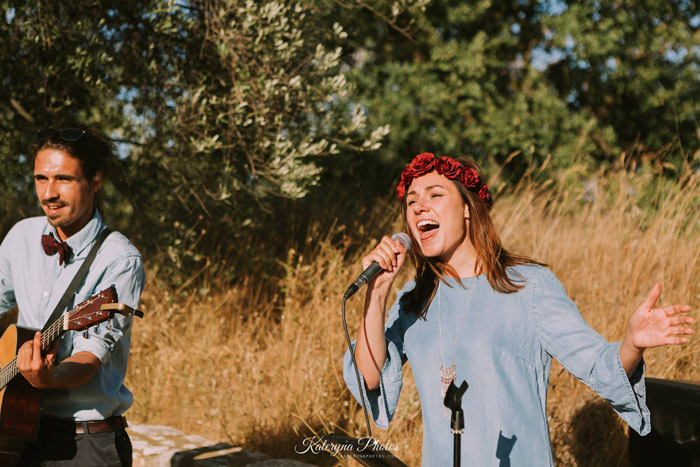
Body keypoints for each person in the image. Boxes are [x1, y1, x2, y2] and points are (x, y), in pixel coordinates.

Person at [343, 152, 694, 466]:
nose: (419, 207)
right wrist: (377, 293)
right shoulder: (413, 299)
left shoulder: (528, 285)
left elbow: (599, 366)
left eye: (435, 195)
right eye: (412, 201)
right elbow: (367, 377)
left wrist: (633, 342)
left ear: (467, 208)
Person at [0, 121, 145, 466]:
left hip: (86, 444)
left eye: (63, 179)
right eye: (41, 178)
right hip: (16, 432)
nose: (48, 193)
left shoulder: (120, 259)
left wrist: (48, 378)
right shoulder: (21, 237)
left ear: (95, 182)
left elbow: (88, 358)